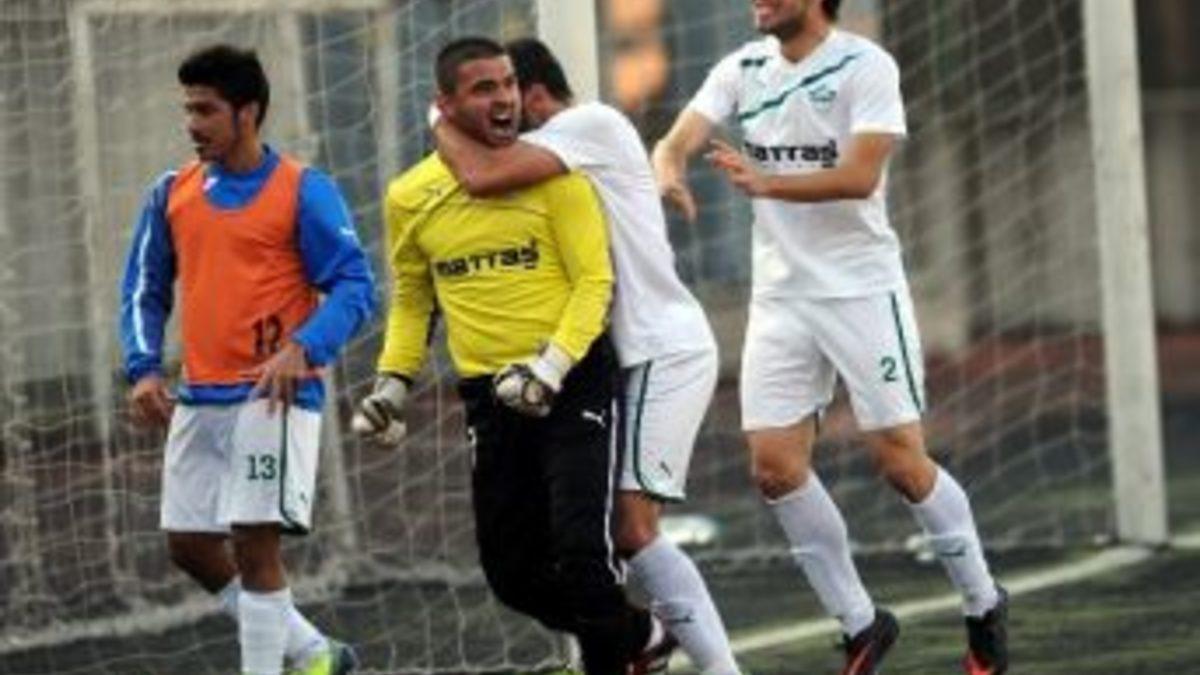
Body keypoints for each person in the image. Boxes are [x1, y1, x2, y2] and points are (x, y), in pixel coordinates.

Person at [651, 1, 1009, 674]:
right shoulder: (742, 67)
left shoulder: (866, 65)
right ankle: (862, 623)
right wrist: (667, 166)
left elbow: (860, 176)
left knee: (901, 463)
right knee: (774, 468)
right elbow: (679, 137)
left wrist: (767, 182)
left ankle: (983, 603)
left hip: (862, 291)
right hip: (781, 298)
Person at [351, 37, 669, 675]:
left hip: (571, 383)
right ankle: (641, 633)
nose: (505, 99)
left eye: (508, 84)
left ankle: (615, 654)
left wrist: (550, 368)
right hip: (489, 399)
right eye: (484, 88)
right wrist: (393, 383)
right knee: (512, 574)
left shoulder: (556, 175)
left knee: (583, 554)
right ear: (445, 105)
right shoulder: (409, 196)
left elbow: (594, 284)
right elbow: (413, 298)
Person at [430, 37, 740, 675]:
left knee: (629, 528)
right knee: (572, 539)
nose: (500, 113)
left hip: (660, 350)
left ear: (533, 94)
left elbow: (479, 174)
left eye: (505, 93)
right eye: (484, 93)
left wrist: (440, 117)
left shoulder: (588, 124)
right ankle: (632, 644)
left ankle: (704, 663)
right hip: (613, 360)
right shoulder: (561, 150)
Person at [119, 44, 374, 675]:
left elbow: (355, 285)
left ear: (248, 112)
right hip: (199, 396)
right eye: (188, 110)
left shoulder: (304, 190)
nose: (192, 123)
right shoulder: (170, 193)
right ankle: (315, 654)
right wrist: (143, 368)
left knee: (255, 546)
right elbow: (144, 290)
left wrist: (303, 348)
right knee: (188, 545)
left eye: (206, 110)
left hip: (273, 398)